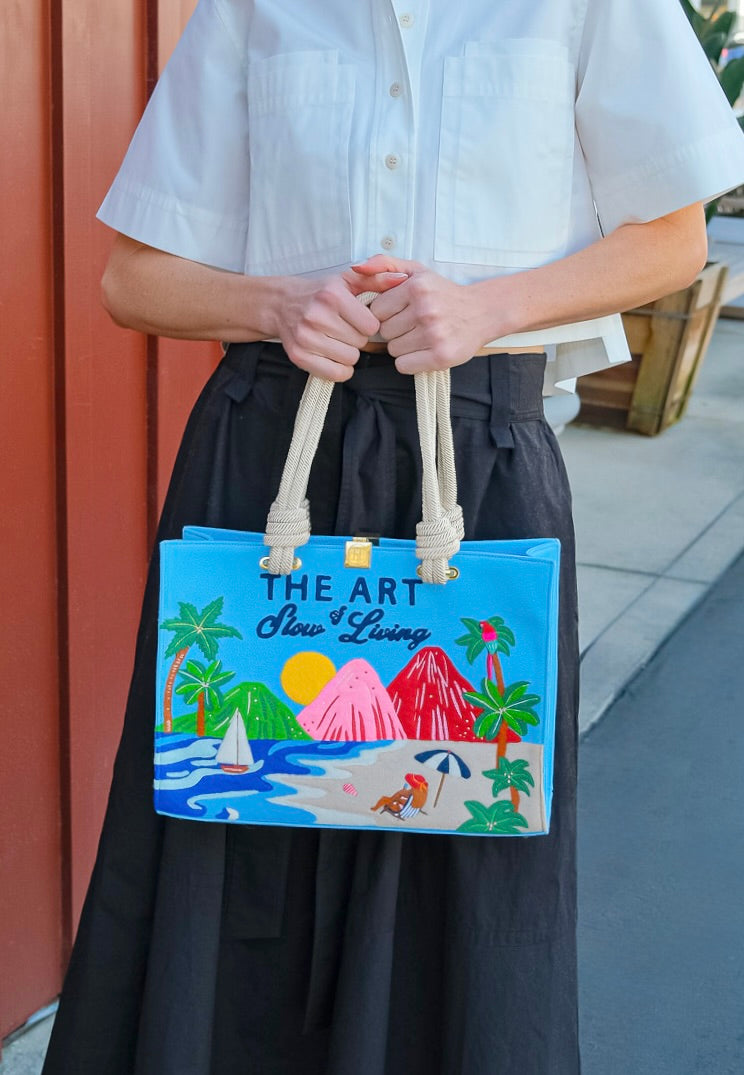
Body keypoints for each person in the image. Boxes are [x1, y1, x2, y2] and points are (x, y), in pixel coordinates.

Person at [42, 2, 744, 1073]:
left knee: (466, 833)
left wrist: (488, 308)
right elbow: (132, 280)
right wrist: (274, 302)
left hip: (476, 464)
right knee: (233, 811)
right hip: (263, 459)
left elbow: (673, 237)